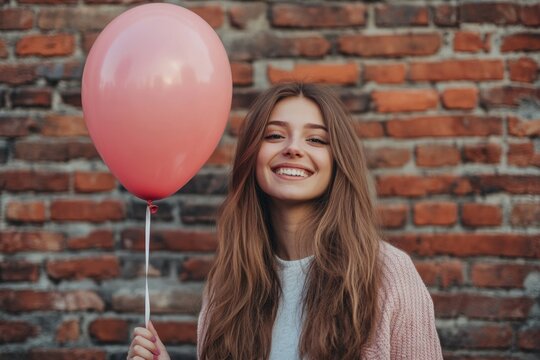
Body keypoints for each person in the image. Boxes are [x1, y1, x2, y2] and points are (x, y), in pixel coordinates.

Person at [127, 82, 443, 360]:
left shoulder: (387, 275)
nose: (292, 148)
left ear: (338, 162)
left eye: (316, 140)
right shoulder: (229, 285)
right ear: (253, 155)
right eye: (275, 135)